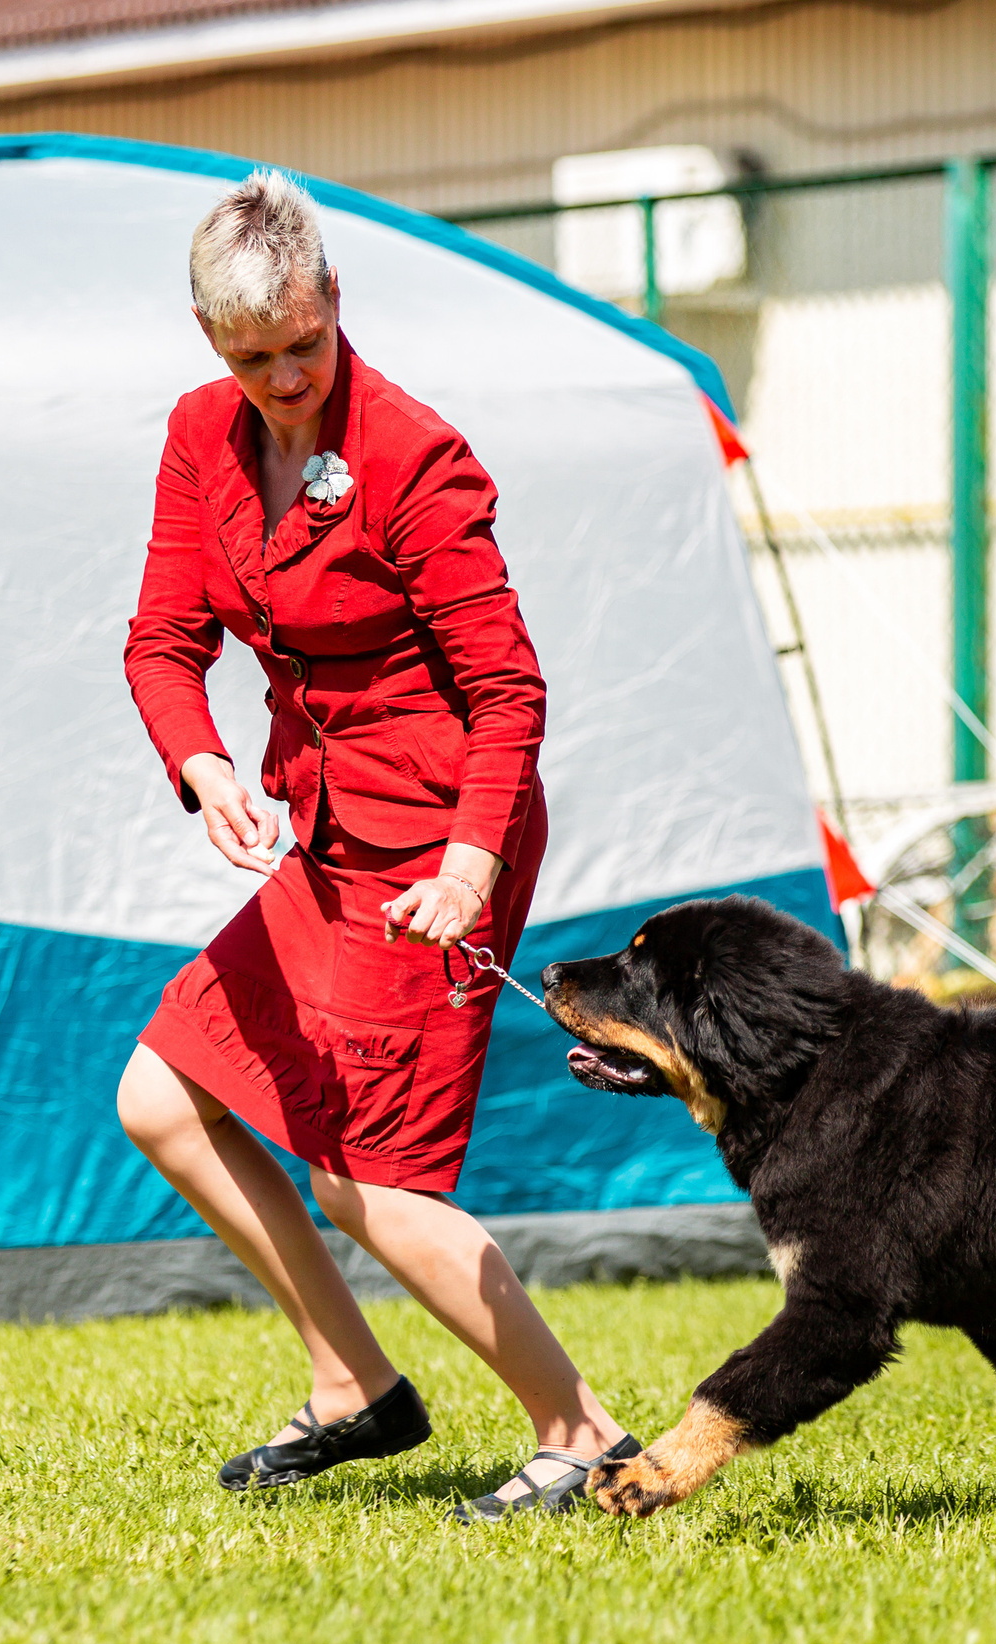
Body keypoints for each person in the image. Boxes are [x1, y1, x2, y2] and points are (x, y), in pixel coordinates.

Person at [119, 170, 637, 1521]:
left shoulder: (417, 456)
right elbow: (164, 637)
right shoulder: (197, 435)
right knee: (164, 1094)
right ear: (207, 339)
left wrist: (469, 865)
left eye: (304, 344)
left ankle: (582, 1429)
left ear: (335, 300)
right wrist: (204, 756)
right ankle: (354, 1383)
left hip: (441, 839)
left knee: (369, 1173)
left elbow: (510, 693)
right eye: (253, 358)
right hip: (329, 832)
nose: (286, 378)